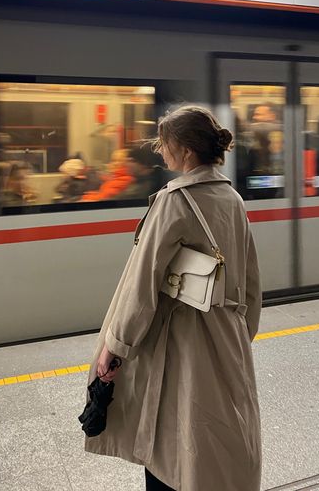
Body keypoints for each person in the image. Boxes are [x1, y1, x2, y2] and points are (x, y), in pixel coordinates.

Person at [84, 105, 261, 491]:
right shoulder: (232, 199)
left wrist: (116, 346)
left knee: (172, 442)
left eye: (164, 144)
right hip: (227, 337)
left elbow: (142, 282)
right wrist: (239, 334)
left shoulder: (174, 200)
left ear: (185, 150)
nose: (160, 152)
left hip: (179, 343)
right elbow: (250, 281)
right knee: (218, 438)